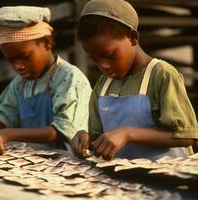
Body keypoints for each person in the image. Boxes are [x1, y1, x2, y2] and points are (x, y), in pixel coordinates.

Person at [71, 0, 198, 161]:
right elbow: (99, 138)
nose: (103, 65)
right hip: (123, 180)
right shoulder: (103, 85)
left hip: (167, 178)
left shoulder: (161, 75)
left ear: (132, 37)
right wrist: (85, 138)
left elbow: (186, 136)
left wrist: (129, 133)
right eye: (95, 60)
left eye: (109, 55)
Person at [0, 6, 92, 155]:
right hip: (33, 161)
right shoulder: (19, 84)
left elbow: (61, 130)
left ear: (46, 43)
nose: (18, 66)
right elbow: (7, 120)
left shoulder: (69, 77)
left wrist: (5, 134)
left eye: (25, 57)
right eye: (11, 60)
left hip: (68, 164)